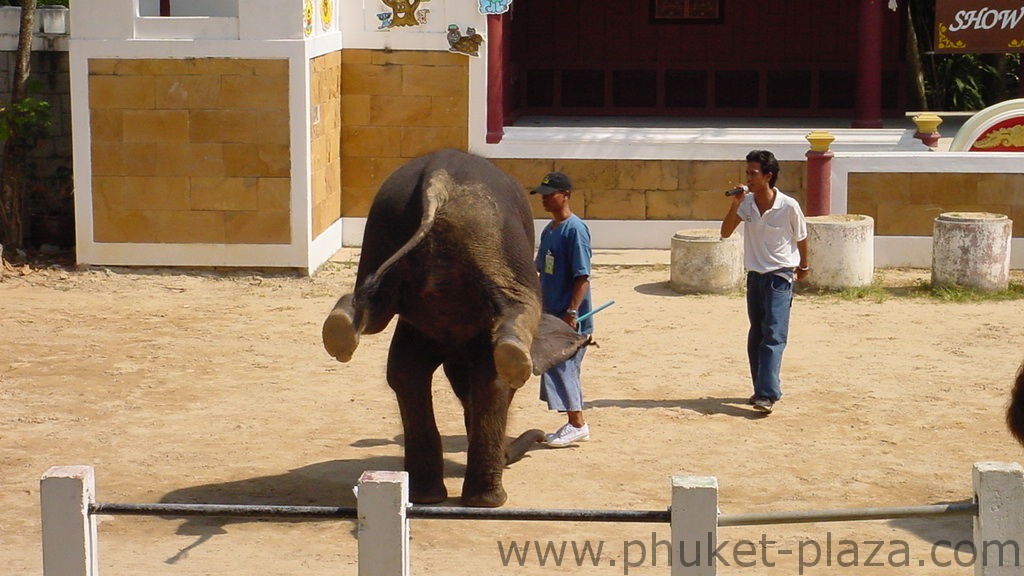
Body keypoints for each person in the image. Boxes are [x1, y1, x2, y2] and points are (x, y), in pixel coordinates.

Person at [720, 150, 808, 414]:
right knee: (757, 332)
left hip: (779, 276)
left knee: (773, 333)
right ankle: (764, 388)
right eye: (747, 173)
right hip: (755, 278)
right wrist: (735, 204)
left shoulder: (788, 205)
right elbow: (725, 233)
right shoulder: (746, 204)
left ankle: (766, 394)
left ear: (768, 176)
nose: (748, 178)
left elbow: (802, 237)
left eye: (753, 173)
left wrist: (804, 266)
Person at [531, 171, 594, 446]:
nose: (544, 200)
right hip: (549, 312)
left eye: (549, 195)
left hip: (568, 317)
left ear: (566, 195)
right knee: (554, 367)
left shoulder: (575, 230)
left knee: (564, 367)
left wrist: (571, 313)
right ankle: (572, 420)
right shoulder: (549, 230)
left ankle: (577, 423)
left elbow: (582, 276)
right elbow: (541, 271)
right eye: (542, 196)